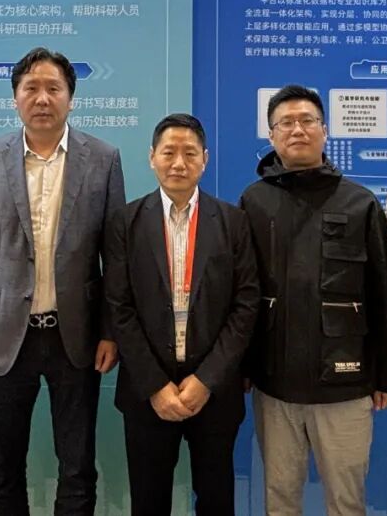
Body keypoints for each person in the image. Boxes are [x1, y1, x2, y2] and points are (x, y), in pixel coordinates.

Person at [0, 47, 126, 515]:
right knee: (3, 466)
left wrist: (110, 331)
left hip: (76, 337)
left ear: (71, 98)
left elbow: (115, 257)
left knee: (77, 465)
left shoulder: (103, 158)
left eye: (53, 88)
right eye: (31, 88)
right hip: (3, 336)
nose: (42, 98)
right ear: (15, 98)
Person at [239, 85, 387, 516]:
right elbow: (242, 293)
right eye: (286, 123)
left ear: (324, 130)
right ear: (272, 135)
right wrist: (242, 367)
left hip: (345, 383)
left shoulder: (359, 202)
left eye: (307, 121)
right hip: (275, 384)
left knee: (347, 501)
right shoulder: (254, 201)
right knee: (279, 498)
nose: (297, 130)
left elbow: (383, 291)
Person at [105, 114, 259, 515]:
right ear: (151, 157)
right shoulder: (125, 222)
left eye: (189, 153)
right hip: (147, 390)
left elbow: (245, 306)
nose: (178, 163)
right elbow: (119, 307)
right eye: (169, 152)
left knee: (216, 499)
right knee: (148, 501)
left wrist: (206, 380)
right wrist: (156, 385)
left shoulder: (233, 222)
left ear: (204, 159)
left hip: (214, 389)